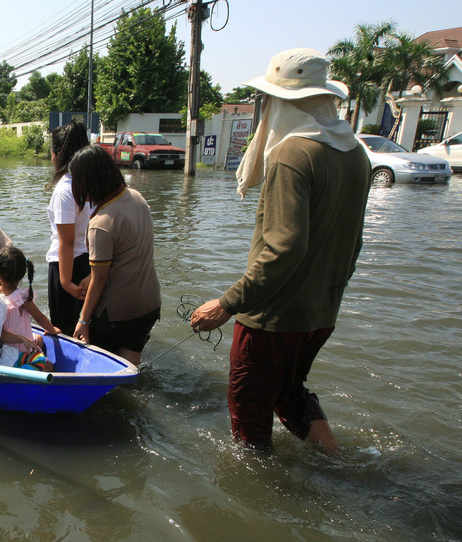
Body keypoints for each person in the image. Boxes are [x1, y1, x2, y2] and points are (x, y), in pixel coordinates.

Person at [188, 48, 371, 456]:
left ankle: (257, 501)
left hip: (272, 320)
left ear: (283, 102)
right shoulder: (355, 153)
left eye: (268, 98)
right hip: (321, 315)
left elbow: (284, 247)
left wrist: (227, 303)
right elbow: (353, 244)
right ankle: (336, 460)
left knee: (249, 413)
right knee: (290, 393)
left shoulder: (293, 154)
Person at [70, 145, 161, 366]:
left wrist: (83, 321)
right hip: (149, 305)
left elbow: (100, 280)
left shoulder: (101, 223)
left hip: (117, 314)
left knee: (98, 363)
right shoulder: (137, 197)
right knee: (129, 364)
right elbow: (128, 253)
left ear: (90, 182)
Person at [45, 121, 93, 335]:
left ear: (58, 153)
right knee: (85, 327)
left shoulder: (65, 189)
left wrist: (65, 283)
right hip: (90, 263)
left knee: (63, 329)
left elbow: (67, 241)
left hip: (66, 267)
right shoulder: (91, 184)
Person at [0, 246, 59, 371]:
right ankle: (25, 370)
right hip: (20, 347)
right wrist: (52, 329)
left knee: (38, 338)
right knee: (49, 366)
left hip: (1, 346)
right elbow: (39, 317)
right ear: (24, 273)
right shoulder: (22, 297)